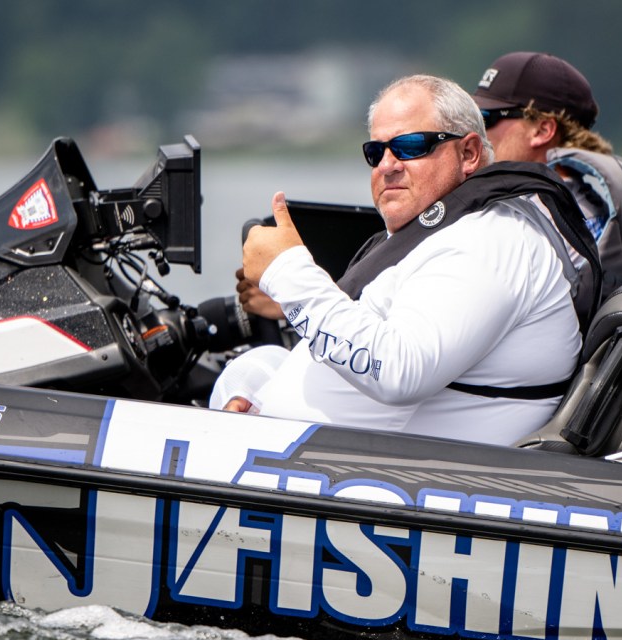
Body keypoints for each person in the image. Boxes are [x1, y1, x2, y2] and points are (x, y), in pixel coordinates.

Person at [210, 74, 599, 446]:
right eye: (376, 152)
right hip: (326, 460)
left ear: (468, 153)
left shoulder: (490, 239)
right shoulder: (446, 233)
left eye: (411, 146)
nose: (387, 165)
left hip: (388, 480)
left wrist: (287, 270)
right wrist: (257, 387)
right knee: (249, 368)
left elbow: (399, 370)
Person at [472, 51, 622, 298]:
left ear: (542, 130)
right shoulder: (580, 207)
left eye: (485, 118)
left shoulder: (541, 217)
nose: (474, 132)